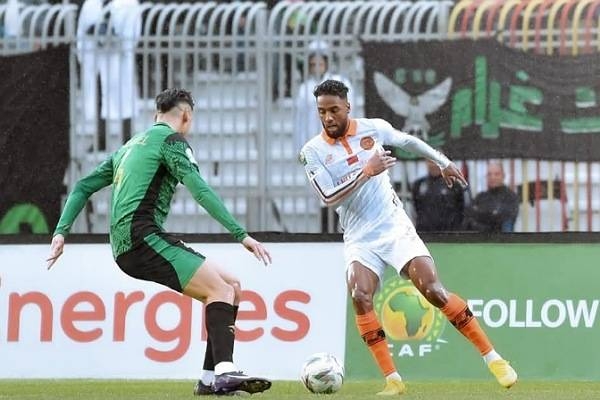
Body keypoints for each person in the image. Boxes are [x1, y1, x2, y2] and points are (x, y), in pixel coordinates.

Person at [46, 88, 273, 396]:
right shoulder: (172, 142)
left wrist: (61, 232)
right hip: (142, 237)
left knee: (232, 286)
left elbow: (83, 186)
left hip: (130, 242)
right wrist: (240, 234)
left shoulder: (129, 146)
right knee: (219, 290)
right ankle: (224, 372)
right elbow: (200, 190)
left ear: (156, 115)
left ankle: (208, 380)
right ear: (186, 116)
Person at [299, 80, 517, 395]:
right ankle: (393, 380)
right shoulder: (312, 151)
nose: (328, 117)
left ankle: (494, 359)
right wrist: (366, 172)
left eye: (334, 109)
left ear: (347, 106)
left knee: (432, 290)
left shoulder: (373, 129)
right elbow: (328, 197)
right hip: (359, 236)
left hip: (394, 226)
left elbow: (407, 141)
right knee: (360, 295)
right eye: (322, 111)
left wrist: (443, 162)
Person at [411, 158, 467, 232]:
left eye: (436, 162)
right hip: (424, 232)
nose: (433, 165)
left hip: (449, 233)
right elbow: (416, 207)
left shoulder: (454, 184)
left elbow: (461, 209)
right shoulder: (419, 184)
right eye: (430, 162)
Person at [463, 161, 519, 232]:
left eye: (496, 174)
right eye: (489, 174)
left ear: (503, 176)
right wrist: (491, 214)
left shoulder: (510, 197)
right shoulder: (481, 196)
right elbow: (468, 216)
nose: (492, 177)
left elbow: (502, 220)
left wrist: (479, 214)